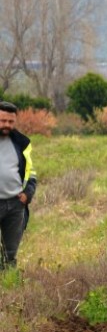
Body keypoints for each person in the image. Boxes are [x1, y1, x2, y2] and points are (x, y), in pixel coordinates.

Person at [0, 100, 37, 268]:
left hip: (15, 205)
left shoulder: (22, 143)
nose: (6, 125)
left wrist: (27, 194)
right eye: (2, 121)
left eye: (10, 121)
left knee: (10, 253)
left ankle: (8, 288)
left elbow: (31, 172)